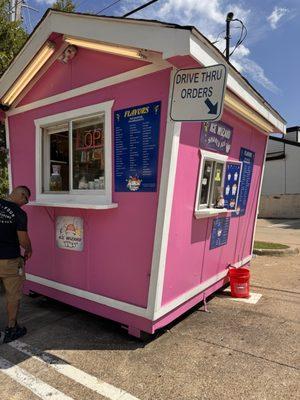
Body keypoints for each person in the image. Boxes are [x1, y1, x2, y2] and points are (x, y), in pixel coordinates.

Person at [0, 186, 32, 343]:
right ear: (21, 195)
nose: (25, 204)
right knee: (13, 295)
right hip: (9, 261)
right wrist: (29, 249)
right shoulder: (19, 214)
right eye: (26, 200)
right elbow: (23, 239)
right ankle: (11, 328)